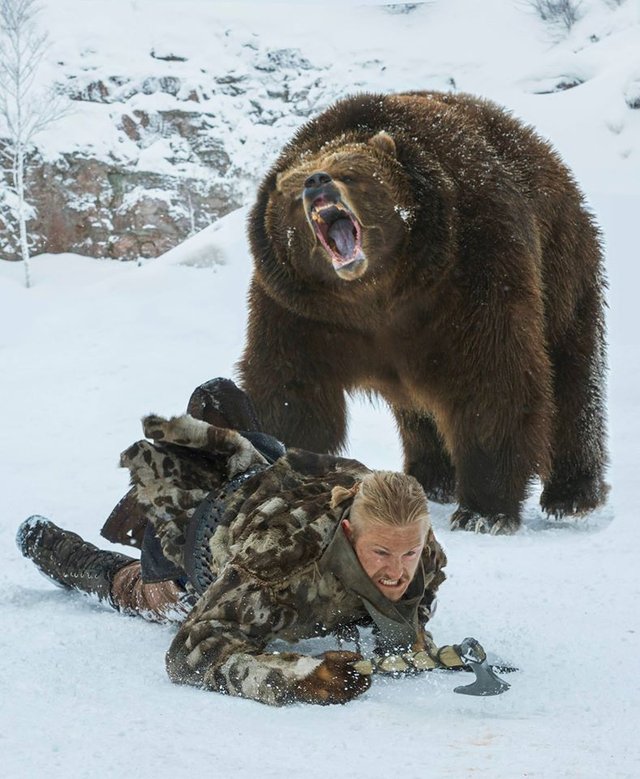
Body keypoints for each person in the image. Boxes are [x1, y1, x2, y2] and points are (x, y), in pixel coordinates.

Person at [17, 379, 470, 706]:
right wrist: (299, 677)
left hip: (267, 474)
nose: (398, 570)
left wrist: (406, 639)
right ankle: (43, 539)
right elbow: (190, 654)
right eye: (382, 554)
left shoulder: (420, 549)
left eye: (409, 553)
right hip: (205, 540)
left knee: (241, 439)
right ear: (350, 534)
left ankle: (222, 436)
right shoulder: (280, 560)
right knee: (138, 589)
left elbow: (408, 604)